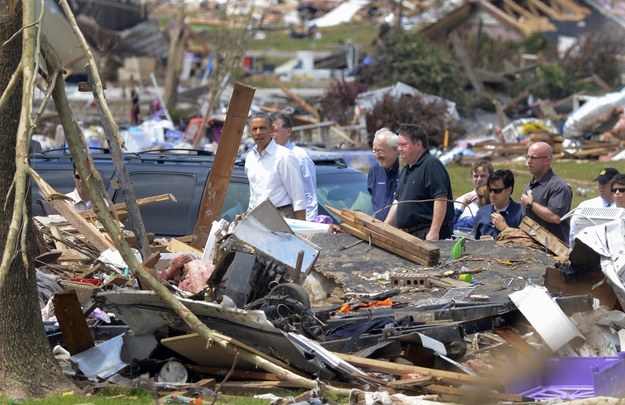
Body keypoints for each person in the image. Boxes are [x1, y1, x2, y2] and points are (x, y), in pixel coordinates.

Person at [384, 123, 454, 240]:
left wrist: (433, 232)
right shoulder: (406, 169)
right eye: (398, 145)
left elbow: (440, 198)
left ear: (418, 145)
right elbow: (398, 202)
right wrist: (384, 228)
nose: (399, 149)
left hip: (426, 233)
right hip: (408, 235)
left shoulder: (431, 165)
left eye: (403, 145)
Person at [244, 112, 306, 220]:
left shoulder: (284, 156)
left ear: (272, 129)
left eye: (262, 128)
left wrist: (301, 230)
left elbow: (298, 198)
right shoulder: (250, 158)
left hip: (281, 217)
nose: (258, 132)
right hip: (256, 218)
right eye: (255, 129)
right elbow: (253, 195)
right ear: (250, 132)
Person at [520, 142, 573, 244]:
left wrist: (531, 204)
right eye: (528, 157)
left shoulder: (559, 187)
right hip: (531, 248)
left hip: (553, 252)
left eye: (533, 158)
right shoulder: (531, 185)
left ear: (547, 160)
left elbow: (555, 217)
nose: (529, 162)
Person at [271, 112, 318, 221]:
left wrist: (308, 224)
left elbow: (309, 194)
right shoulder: (267, 156)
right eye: (271, 131)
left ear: (288, 132)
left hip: (295, 220)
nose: (272, 135)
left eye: (276, 131)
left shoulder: (300, 156)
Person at [569, 167, 619, 242]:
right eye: (600, 183)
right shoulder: (586, 206)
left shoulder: (622, 206)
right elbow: (572, 231)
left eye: (605, 183)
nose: (601, 187)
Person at [474, 170, 523, 240]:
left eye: (497, 191)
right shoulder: (481, 213)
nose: (492, 194)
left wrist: (505, 228)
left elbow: (527, 243)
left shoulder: (521, 213)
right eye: (490, 190)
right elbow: (475, 242)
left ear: (509, 190)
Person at [367, 127, 400, 221]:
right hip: (379, 231)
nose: (377, 156)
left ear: (395, 150)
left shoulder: (405, 170)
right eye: (374, 151)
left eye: (380, 151)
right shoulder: (374, 171)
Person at [454, 161, 493, 226]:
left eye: (483, 176)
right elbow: (451, 225)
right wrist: (462, 207)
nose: (479, 179)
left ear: (491, 176)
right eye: (475, 176)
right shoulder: (460, 201)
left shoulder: (498, 199)